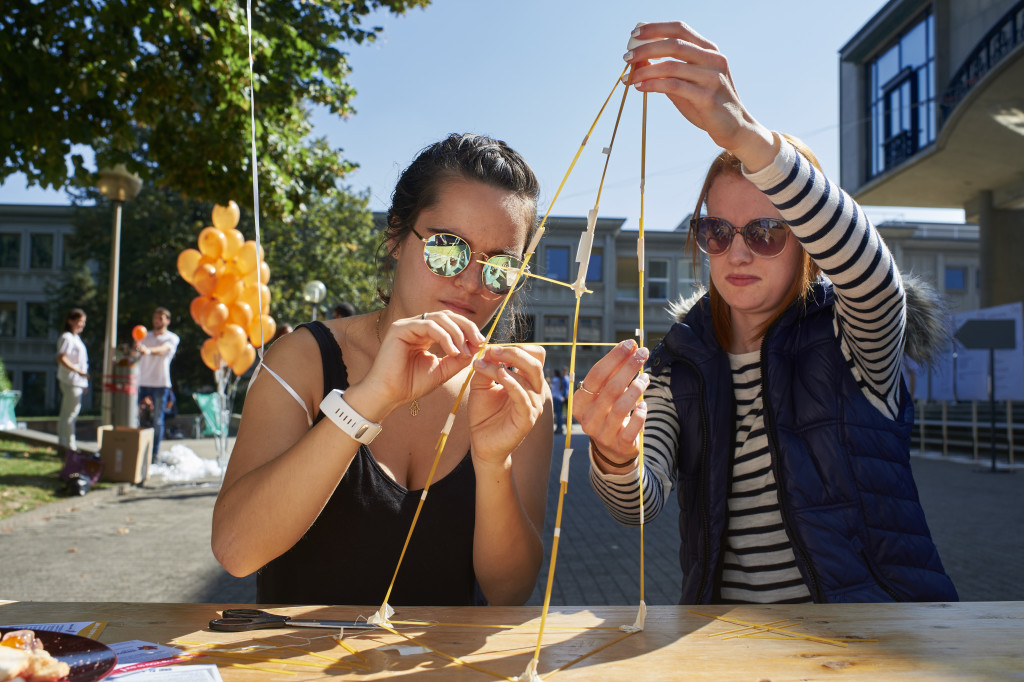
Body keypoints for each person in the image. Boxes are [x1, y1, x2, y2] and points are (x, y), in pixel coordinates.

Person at [573, 22, 957, 605]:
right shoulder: (683, 359)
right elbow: (640, 505)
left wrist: (746, 136)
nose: (739, 251)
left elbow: (873, 276)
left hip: (876, 642)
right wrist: (613, 452)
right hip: (731, 645)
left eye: (767, 231)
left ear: (808, 242)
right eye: (717, 231)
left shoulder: (850, 336)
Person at [212, 133, 554, 607]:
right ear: (397, 236)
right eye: (449, 249)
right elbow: (236, 549)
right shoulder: (303, 359)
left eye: (500, 268)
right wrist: (368, 400)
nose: (472, 282)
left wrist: (494, 461)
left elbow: (509, 592)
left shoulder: (514, 390)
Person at [136, 307, 180, 461]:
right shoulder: (144, 336)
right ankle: (136, 450)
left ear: (167, 321)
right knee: (134, 415)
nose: (157, 321)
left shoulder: (172, 338)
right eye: (155, 318)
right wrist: (137, 349)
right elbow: (135, 352)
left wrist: (147, 350)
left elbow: (163, 349)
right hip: (141, 382)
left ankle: (154, 453)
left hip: (161, 384)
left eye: (160, 318)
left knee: (157, 419)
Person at [55, 309, 89, 453]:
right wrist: (79, 372)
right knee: (71, 414)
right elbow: (61, 358)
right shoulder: (67, 338)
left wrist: (83, 382)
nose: (82, 325)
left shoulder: (75, 338)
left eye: (83, 322)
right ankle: (69, 446)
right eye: (80, 321)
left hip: (76, 382)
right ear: (71, 321)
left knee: (66, 413)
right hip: (71, 381)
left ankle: (63, 444)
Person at [549, 369, 567, 434]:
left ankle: (559, 428)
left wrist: (547, 373)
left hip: (556, 398)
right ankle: (560, 427)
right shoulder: (560, 379)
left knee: (558, 414)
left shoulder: (555, 379)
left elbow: (548, 381)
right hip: (559, 397)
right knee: (559, 414)